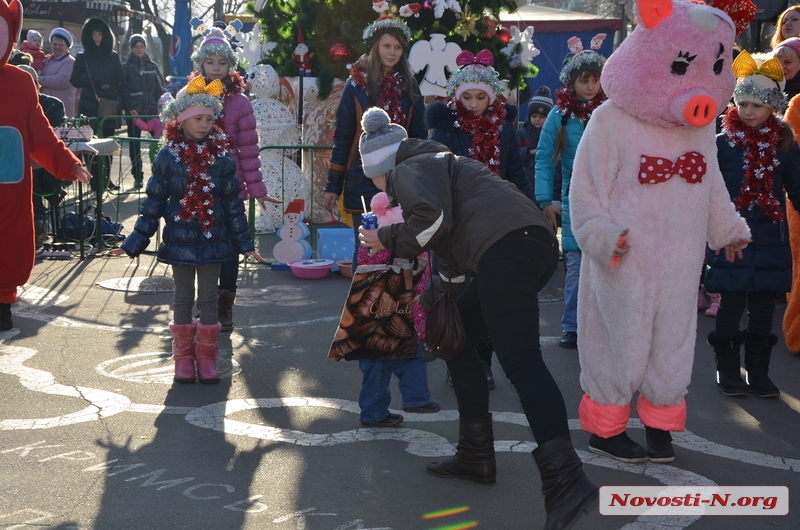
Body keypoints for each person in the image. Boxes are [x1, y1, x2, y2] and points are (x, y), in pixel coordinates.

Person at [357, 107, 598, 529]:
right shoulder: (440, 164)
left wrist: (386, 237)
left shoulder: (407, 168)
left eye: (372, 177)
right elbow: (451, 265)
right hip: (523, 245)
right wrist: (430, 308)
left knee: (521, 361)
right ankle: (475, 456)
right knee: (460, 337)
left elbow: (432, 221)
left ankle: (567, 481)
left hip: (505, 248)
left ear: (379, 167)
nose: (379, 188)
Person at [113, 78, 264, 383]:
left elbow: (233, 204)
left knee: (209, 299)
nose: (205, 124)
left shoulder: (221, 157)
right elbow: (153, 203)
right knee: (182, 298)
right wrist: (134, 242)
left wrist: (245, 243)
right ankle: (182, 359)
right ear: (181, 120)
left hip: (214, 241)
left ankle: (206, 358)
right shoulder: (168, 157)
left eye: (210, 119)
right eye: (198, 118)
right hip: (180, 240)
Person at [706, 51, 800, 398]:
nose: (747, 111)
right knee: (731, 304)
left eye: (757, 105)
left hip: (771, 240)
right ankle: (727, 370)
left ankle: (759, 373)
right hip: (732, 237)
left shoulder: (785, 143)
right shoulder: (721, 143)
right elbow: (708, 190)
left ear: (772, 106)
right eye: (742, 103)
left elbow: (797, 187)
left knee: (762, 309)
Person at [184, 28, 279, 331]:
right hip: (197, 183)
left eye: (221, 63)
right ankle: (205, 303)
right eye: (209, 62)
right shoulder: (188, 96)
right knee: (200, 243)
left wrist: (258, 189)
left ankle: (225, 306)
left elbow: (249, 149)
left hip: (230, 185)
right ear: (200, 64)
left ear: (230, 67)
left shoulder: (240, 102)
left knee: (227, 249)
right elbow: (177, 140)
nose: (215, 67)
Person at [0, 19, 91, 331]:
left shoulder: (21, 83)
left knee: (11, 241)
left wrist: (68, 163)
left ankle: (3, 301)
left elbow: (41, 134)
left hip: (10, 182)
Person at [322, 16, 426, 263]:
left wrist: (420, 176)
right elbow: (344, 136)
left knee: (399, 250)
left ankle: (395, 302)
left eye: (398, 47)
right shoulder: (356, 85)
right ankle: (363, 302)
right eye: (387, 46)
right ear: (376, 47)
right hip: (363, 179)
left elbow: (419, 135)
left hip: (401, 180)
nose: (392, 52)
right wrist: (333, 186)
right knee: (368, 250)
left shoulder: (410, 85)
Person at [535, 47, 606, 349]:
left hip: (610, 205)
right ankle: (572, 326)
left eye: (595, 80)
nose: (591, 86)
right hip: (575, 203)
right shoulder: (559, 116)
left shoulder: (612, 111)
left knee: (606, 269)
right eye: (584, 80)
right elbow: (544, 160)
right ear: (571, 83)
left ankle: (602, 326)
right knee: (576, 269)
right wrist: (545, 200)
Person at [352, 191, 439, 426]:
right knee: (392, 361)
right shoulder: (388, 245)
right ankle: (386, 408)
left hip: (386, 314)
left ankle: (403, 402)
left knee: (393, 361)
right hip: (388, 315)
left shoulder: (379, 243)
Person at [424, 49, 534, 200]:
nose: (473, 104)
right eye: (467, 97)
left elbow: (516, 173)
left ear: (490, 98)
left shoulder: (504, 126)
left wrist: (533, 209)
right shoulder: (446, 126)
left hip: (497, 206)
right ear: (458, 96)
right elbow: (433, 175)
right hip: (459, 209)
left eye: (481, 97)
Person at [70, 17, 130, 192]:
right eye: (94, 34)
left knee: (108, 145)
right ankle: (95, 181)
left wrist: (129, 105)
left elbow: (122, 82)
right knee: (90, 146)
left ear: (105, 36)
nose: (97, 37)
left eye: (100, 34)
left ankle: (106, 180)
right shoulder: (83, 57)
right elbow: (74, 80)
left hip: (109, 106)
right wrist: (89, 78)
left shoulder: (113, 57)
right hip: (89, 107)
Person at [17, 64, 67, 245]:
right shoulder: (8, 104)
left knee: (32, 164)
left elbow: (52, 139)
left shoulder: (53, 104)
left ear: (38, 85)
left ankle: (38, 222)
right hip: (12, 162)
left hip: (45, 165)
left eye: (31, 83)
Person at [122, 34, 165, 189]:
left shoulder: (152, 66)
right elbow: (123, 90)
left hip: (153, 111)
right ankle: (138, 176)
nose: (139, 49)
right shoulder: (126, 67)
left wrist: (163, 106)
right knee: (135, 145)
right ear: (131, 48)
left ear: (145, 47)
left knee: (159, 144)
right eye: (136, 46)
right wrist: (129, 107)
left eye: (142, 46)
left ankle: (161, 173)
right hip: (134, 112)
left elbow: (160, 89)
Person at [39, 28, 77, 118]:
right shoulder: (48, 60)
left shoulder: (70, 62)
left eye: (61, 45)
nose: (57, 47)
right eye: (54, 44)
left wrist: (38, 79)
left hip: (61, 108)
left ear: (67, 47)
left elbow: (62, 81)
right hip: (48, 106)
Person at [518, 86, 553, 180]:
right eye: (534, 116)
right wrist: (530, 152)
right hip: (525, 178)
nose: (537, 119)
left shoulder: (553, 134)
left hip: (547, 177)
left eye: (542, 116)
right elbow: (514, 154)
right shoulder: (521, 133)